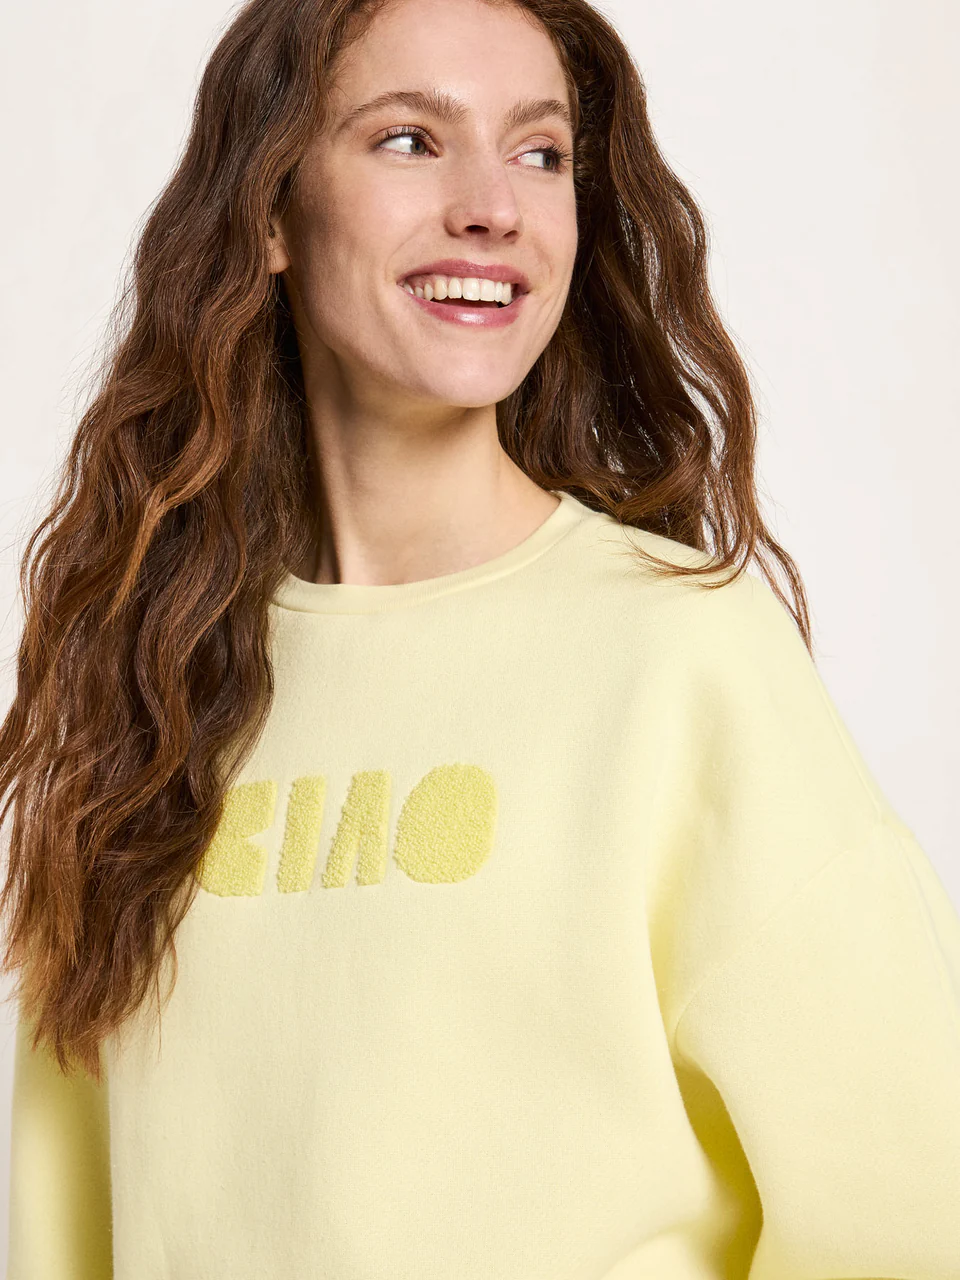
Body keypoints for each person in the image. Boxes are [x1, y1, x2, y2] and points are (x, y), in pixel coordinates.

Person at [2, 0, 958, 1276]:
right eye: (409, 139)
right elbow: (68, 1219)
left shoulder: (680, 654)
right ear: (271, 209)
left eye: (540, 152)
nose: (495, 206)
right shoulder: (153, 687)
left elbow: (912, 1209)